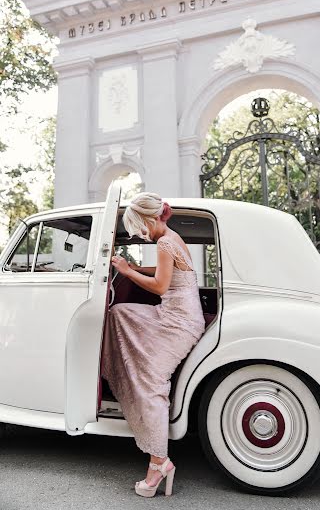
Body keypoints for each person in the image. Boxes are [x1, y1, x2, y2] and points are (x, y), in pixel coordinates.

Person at [100, 191, 206, 498]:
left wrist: (128, 272)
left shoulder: (164, 242)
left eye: (138, 227)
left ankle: (159, 462)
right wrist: (128, 267)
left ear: (147, 220)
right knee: (119, 312)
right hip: (181, 315)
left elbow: (160, 286)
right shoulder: (172, 237)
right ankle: (120, 372)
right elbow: (164, 274)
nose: (140, 234)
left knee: (151, 384)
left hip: (176, 321)